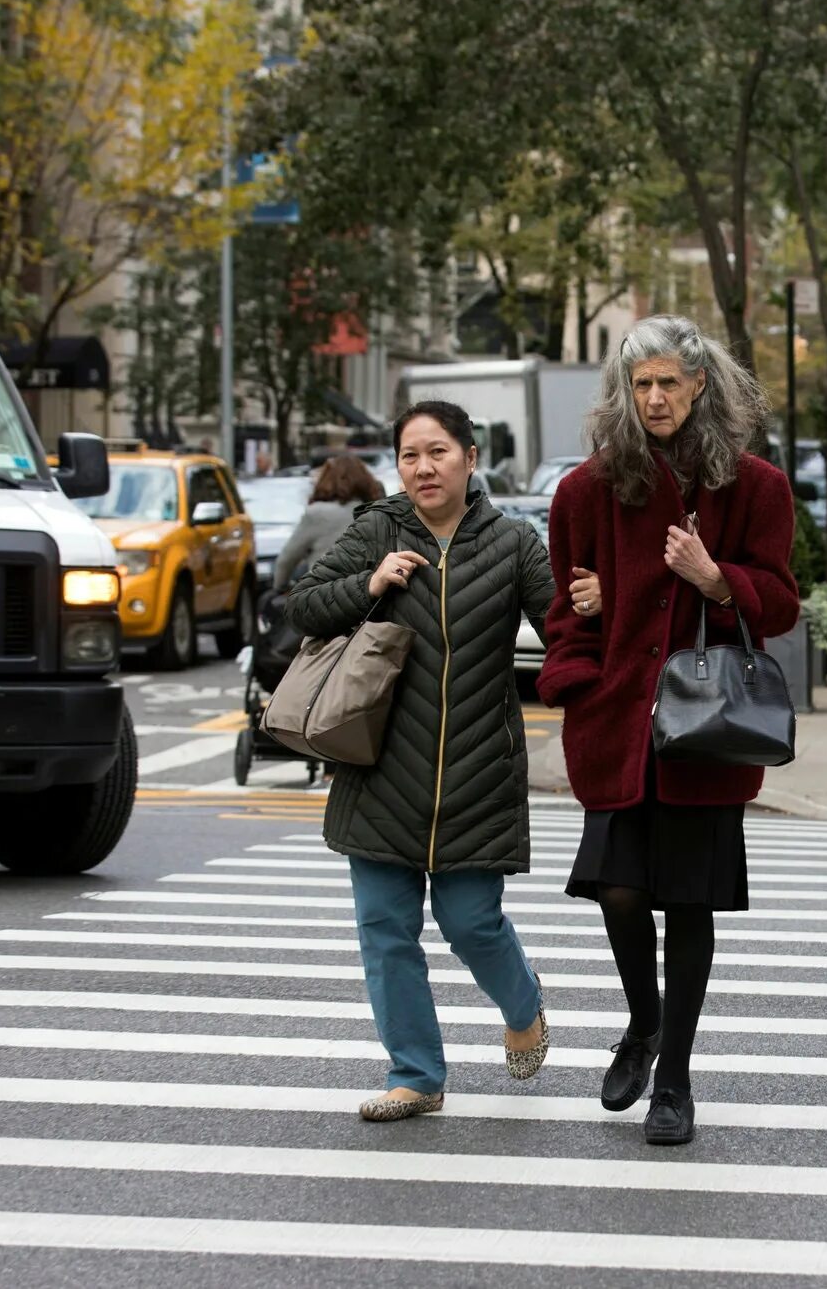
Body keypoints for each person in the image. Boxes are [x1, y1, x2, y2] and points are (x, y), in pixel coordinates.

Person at [538, 314, 799, 1147]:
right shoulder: (587, 490)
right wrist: (578, 670)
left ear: (699, 386)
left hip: (707, 727)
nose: (654, 398)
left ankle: (676, 1078)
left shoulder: (754, 486)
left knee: (687, 904)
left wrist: (717, 580)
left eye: (668, 383)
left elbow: (783, 601)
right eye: (640, 384)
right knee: (617, 890)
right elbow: (563, 609)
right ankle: (642, 1024)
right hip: (619, 718)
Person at [289, 400, 556, 1122]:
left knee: (472, 921)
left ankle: (525, 1001)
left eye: (438, 452)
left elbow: (558, 626)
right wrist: (368, 584)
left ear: (471, 458)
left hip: (478, 772)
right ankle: (415, 1072)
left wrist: (586, 605)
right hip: (378, 769)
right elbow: (303, 606)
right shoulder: (376, 528)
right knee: (386, 929)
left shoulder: (512, 543)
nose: (424, 467)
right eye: (410, 455)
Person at [274, 454, 383, 589]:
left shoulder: (316, 513)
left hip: (323, 594)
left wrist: (280, 587)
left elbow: (287, 560)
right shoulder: (375, 512)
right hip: (367, 593)